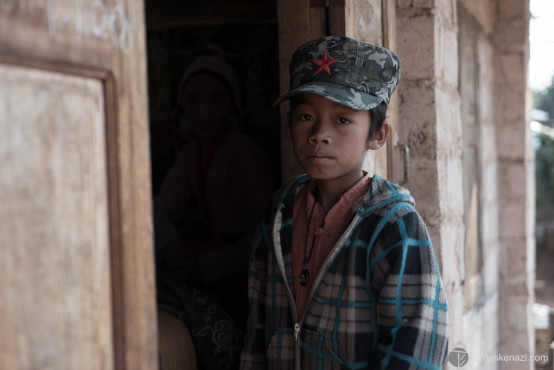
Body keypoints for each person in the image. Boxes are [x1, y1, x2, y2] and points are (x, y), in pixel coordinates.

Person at [240, 36, 449, 369]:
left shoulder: (394, 225)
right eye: (305, 116)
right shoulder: (280, 214)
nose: (319, 133)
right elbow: (257, 326)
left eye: (342, 119)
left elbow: (415, 347)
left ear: (378, 134)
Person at [153, 48, 274, 369]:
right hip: (208, 261)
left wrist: (205, 266)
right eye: (193, 101)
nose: (202, 111)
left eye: (215, 100)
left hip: (243, 273)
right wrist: (174, 247)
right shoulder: (192, 153)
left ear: (233, 105)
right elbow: (159, 209)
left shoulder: (244, 153)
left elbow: (266, 231)